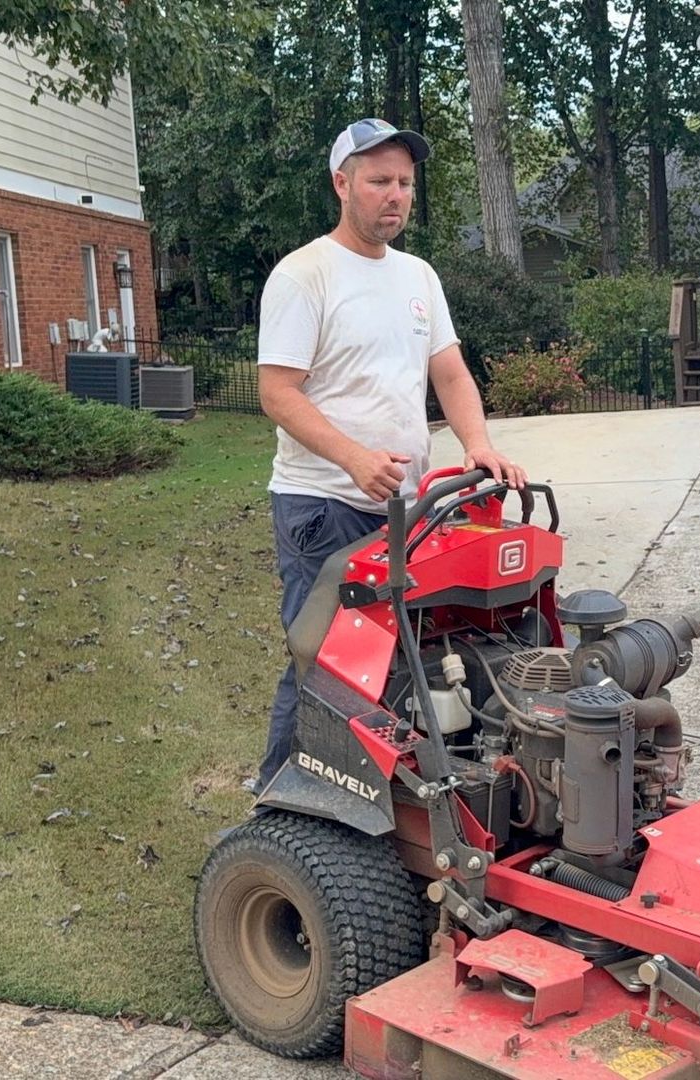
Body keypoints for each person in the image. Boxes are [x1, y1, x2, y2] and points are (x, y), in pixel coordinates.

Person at [247, 117, 526, 794]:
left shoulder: (418, 276)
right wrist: (352, 458)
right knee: (327, 664)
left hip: (408, 510)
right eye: (378, 181)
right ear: (342, 184)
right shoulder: (304, 275)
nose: (394, 195)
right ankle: (282, 805)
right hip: (324, 504)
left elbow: (451, 374)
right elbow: (276, 392)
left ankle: (379, 796)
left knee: (404, 655)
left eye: (404, 182)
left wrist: (479, 446)